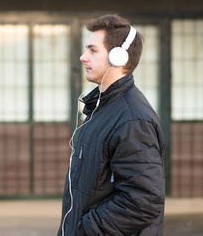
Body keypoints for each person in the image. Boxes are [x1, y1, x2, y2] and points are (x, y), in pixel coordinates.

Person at [57, 14, 166, 236]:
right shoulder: (102, 108)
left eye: (92, 50)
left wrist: (86, 229)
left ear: (118, 57)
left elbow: (143, 202)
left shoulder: (132, 119)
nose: (83, 57)